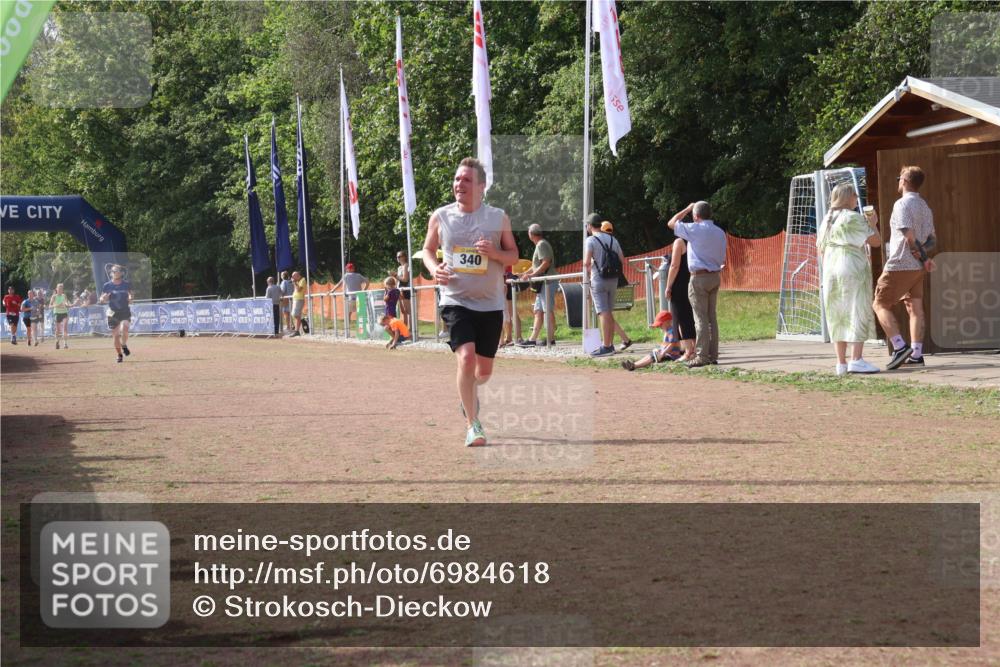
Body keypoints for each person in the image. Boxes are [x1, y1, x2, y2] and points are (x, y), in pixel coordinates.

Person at [421, 157, 519, 447]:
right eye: (456, 179)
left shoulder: (498, 217)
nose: (458, 184)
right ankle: (473, 424)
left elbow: (513, 255)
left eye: (465, 180)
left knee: (484, 373)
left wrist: (495, 254)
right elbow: (428, 249)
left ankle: (469, 398)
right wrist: (433, 268)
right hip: (455, 299)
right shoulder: (441, 216)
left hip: (490, 304)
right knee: (465, 357)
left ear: (481, 186)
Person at [873, 165, 937, 370]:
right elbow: (933, 240)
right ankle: (917, 354)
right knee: (914, 307)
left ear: (905, 181)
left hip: (900, 263)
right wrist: (924, 257)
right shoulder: (925, 206)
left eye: (899, 177)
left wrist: (919, 253)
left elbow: (909, 236)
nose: (898, 180)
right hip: (918, 268)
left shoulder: (901, 205)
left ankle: (899, 347)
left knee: (879, 304)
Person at [816, 183, 882, 375]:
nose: (857, 199)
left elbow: (820, 249)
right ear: (848, 197)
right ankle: (857, 359)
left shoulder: (826, 220)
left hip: (831, 270)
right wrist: (873, 223)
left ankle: (841, 363)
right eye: (855, 195)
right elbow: (876, 242)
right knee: (856, 309)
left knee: (837, 313)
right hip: (852, 267)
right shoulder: (854, 218)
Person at [667, 201, 726, 367]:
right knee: (711, 318)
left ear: (695, 215)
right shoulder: (720, 232)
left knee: (700, 318)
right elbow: (722, 258)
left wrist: (686, 208)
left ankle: (701, 355)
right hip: (715, 275)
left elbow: (671, 223)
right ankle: (712, 354)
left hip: (698, 278)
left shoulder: (694, 228)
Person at [583, 214, 630, 357]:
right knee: (608, 312)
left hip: (598, 279)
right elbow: (622, 259)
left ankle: (606, 346)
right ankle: (610, 345)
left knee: (603, 313)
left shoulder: (590, 240)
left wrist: (592, 267)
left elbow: (586, 262)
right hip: (613, 279)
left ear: (590, 226)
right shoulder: (613, 239)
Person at [517, 224, 558, 347]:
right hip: (543, 283)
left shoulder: (541, 244)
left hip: (547, 282)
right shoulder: (541, 244)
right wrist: (526, 273)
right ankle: (532, 339)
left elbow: (546, 263)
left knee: (547, 310)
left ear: (531, 234)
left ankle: (551, 339)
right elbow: (536, 265)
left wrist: (532, 275)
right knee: (538, 311)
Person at [663, 239, 696, 361]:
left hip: (679, 284)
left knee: (680, 318)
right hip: (691, 281)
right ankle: (695, 349)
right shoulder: (693, 240)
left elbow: (674, 265)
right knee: (690, 317)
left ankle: (688, 352)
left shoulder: (679, 242)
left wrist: (668, 286)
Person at [99, 265, 133, 363]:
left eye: (116, 271)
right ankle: (119, 355)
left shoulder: (126, 284)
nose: (114, 273)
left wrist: (130, 298)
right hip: (112, 313)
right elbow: (101, 299)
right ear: (111, 273)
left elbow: (130, 294)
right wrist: (103, 298)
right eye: (113, 271)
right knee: (116, 335)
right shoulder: (107, 285)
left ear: (121, 273)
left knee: (125, 330)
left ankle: (124, 344)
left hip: (124, 311)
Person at [342, 262, 370, 330]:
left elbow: (342, 285)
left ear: (349, 269)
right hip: (359, 297)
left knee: (348, 313)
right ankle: (361, 329)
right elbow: (367, 281)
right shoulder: (358, 275)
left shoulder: (346, 276)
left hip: (350, 298)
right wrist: (364, 290)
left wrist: (343, 293)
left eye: (348, 268)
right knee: (360, 313)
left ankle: (347, 328)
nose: (347, 270)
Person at [394, 251, 413, 332]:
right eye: (397, 256)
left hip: (405, 289)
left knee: (408, 310)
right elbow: (398, 280)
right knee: (403, 310)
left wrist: (395, 275)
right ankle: (405, 328)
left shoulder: (406, 266)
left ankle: (411, 329)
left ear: (404, 257)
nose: (398, 258)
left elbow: (405, 279)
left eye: (399, 256)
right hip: (400, 289)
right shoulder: (399, 267)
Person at [49, 283, 71, 349]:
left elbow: (66, 303)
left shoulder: (64, 295)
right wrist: (57, 305)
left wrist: (68, 305)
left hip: (64, 312)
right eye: (59, 288)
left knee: (65, 328)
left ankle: (65, 344)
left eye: (61, 289)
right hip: (57, 313)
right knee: (58, 329)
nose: (60, 290)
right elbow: (50, 306)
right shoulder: (54, 296)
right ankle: (57, 341)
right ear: (56, 289)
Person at [289, 270, 306, 337]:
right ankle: (297, 330)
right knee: (294, 314)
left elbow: (299, 290)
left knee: (296, 314)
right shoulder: (298, 281)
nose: (293, 278)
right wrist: (295, 282)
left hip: (299, 299)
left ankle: (297, 330)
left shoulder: (303, 280)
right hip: (296, 299)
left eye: (294, 277)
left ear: (297, 275)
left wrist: (294, 283)